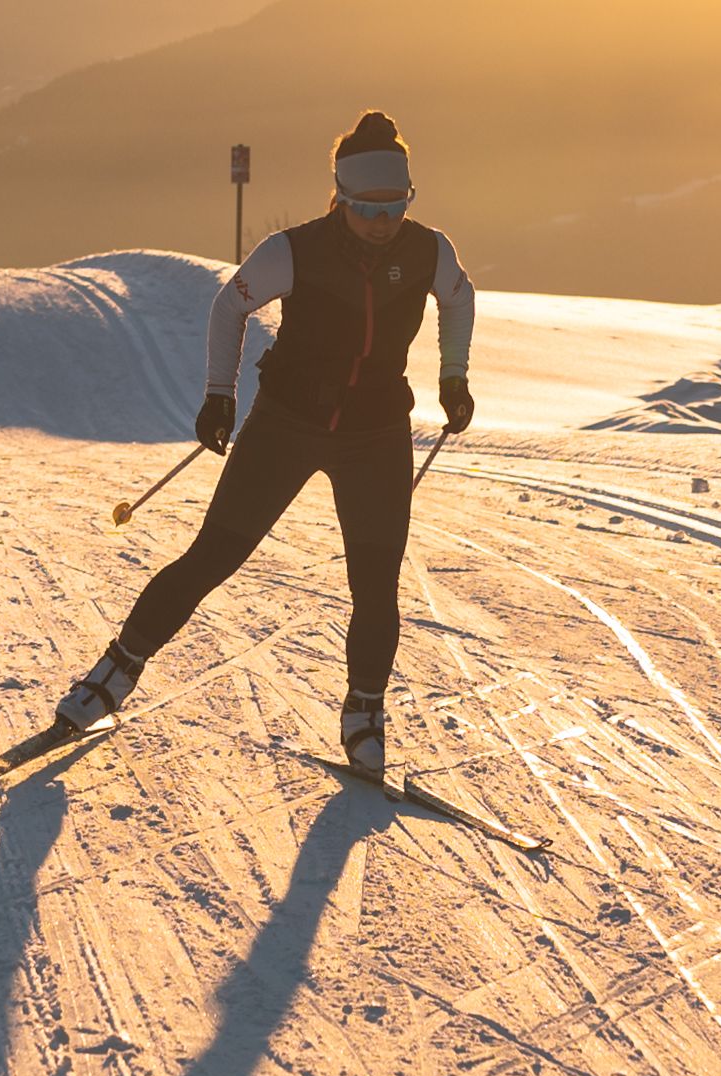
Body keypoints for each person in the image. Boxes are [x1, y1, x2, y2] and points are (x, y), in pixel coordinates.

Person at [55, 109, 476, 771]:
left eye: (394, 205)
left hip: (377, 433)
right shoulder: (295, 251)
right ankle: (114, 672)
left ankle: (364, 712)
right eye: (367, 207)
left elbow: (460, 296)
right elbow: (230, 305)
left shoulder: (427, 251)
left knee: (375, 582)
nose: (381, 221)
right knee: (214, 556)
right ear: (341, 196)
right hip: (289, 424)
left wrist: (454, 376)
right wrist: (219, 395)